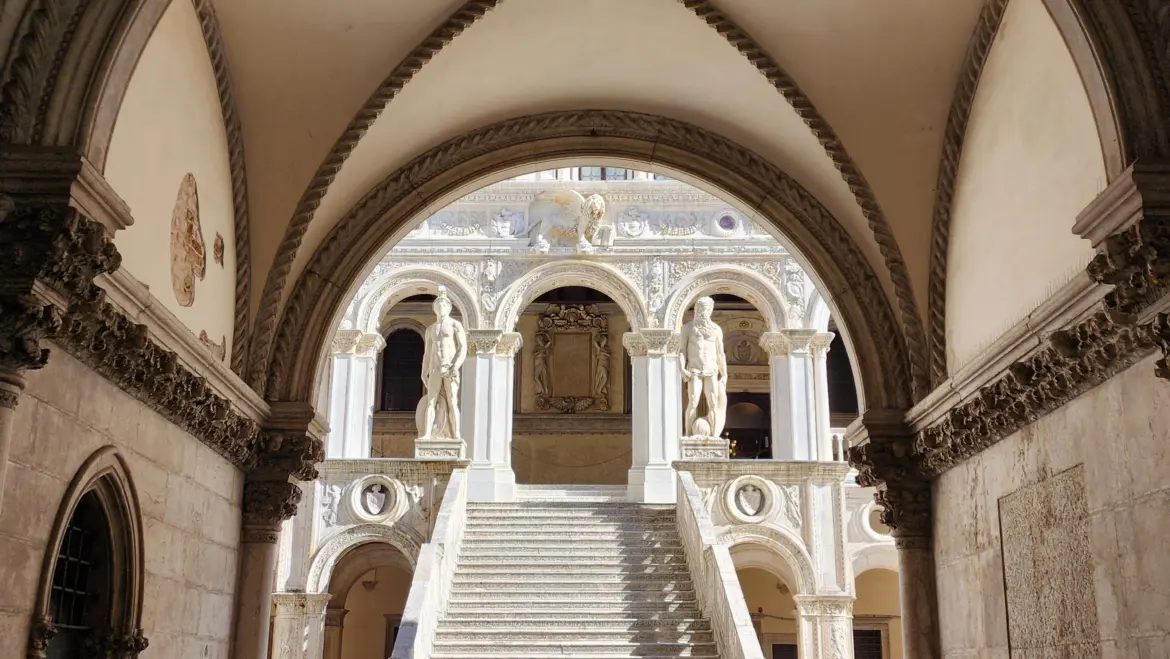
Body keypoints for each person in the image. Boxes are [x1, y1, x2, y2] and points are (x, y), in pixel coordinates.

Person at [421, 286, 467, 439]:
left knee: (453, 401)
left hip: (449, 366)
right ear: (435, 308)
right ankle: (427, 434)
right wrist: (424, 371)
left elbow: (463, 347)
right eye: (438, 306)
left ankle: (456, 434)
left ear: (448, 307)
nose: (441, 308)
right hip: (434, 368)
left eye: (444, 305)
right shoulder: (430, 329)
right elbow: (427, 353)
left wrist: (456, 366)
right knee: (430, 401)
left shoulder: (455, 325)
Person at [679, 296, 728, 438]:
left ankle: (714, 436)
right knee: (693, 402)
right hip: (694, 370)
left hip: (712, 370)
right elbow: (682, 350)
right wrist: (682, 369)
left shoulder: (716, 329)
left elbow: (720, 353)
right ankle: (688, 435)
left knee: (713, 404)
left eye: (706, 309)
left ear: (711, 310)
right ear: (695, 310)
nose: (702, 312)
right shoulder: (687, 328)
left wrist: (724, 373)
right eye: (700, 308)